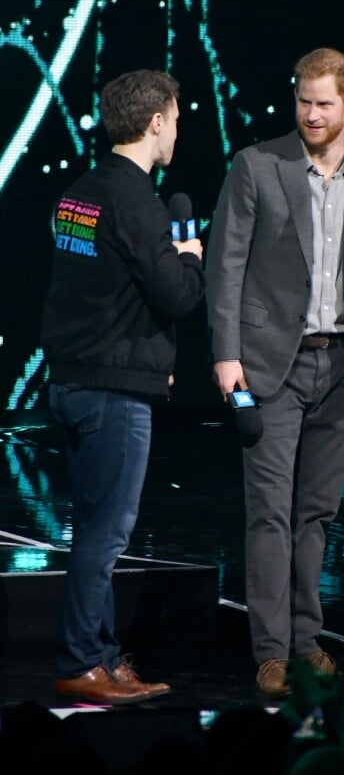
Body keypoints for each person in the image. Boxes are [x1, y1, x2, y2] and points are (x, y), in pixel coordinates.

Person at [205, 47, 344, 696]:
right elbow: (225, 265)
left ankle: (304, 639)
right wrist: (225, 355)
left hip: (342, 367)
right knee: (270, 514)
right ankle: (270, 652)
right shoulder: (258, 165)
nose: (310, 114)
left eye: (323, 103)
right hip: (268, 367)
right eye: (302, 100)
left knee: (316, 514)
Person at [41, 69, 205, 704]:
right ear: (156, 121)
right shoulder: (139, 201)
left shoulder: (78, 192)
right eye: (176, 116)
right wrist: (189, 258)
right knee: (106, 535)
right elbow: (176, 295)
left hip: (75, 380)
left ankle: (102, 657)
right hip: (112, 392)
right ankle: (83, 660)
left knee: (94, 531)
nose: (178, 129)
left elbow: (96, 290)